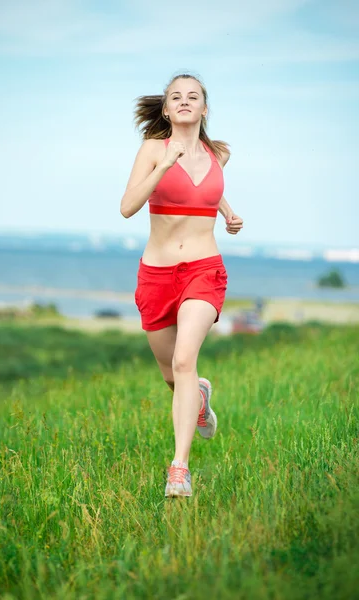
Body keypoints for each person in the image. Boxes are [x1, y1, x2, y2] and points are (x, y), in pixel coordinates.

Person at [120, 72, 243, 498]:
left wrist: (228, 212)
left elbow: (206, 187)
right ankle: (201, 400)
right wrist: (165, 165)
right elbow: (127, 206)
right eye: (177, 97)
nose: (185, 101)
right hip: (156, 275)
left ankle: (179, 469)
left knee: (185, 361)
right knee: (173, 376)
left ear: (204, 109)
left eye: (194, 97)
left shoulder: (218, 153)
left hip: (203, 271)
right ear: (167, 109)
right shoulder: (154, 149)